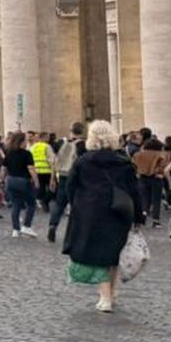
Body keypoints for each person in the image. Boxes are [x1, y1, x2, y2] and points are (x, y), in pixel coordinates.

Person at [60, 120, 145, 313]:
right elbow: (135, 190)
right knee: (112, 253)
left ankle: (105, 298)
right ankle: (111, 292)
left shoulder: (83, 161)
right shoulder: (124, 162)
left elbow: (70, 186)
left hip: (91, 212)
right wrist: (138, 216)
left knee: (99, 255)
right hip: (119, 211)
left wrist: (77, 204)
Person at [45, 121, 86, 245]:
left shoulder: (62, 143)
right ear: (82, 131)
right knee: (77, 205)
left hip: (62, 175)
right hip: (76, 177)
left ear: (71, 130)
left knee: (59, 203)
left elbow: (55, 162)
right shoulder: (83, 146)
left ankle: (53, 225)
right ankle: (77, 232)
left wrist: (52, 178)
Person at [2, 131, 38, 237]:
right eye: (25, 140)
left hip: (11, 180)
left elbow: (3, 168)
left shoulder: (9, 153)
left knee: (16, 205)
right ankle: (26, 226)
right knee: (31, 203)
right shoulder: (26, 154)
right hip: (23, 181)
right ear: (22, 142)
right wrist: (36, 181)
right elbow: (31, 168)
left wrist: (1, 180)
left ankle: (15, 230)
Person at [132, 138, 169, 228]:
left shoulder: (138, 154)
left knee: (144, 199)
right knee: (156, 200)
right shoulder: (161, 155)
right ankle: (156, 220)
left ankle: (143, 215)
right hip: (156, 178)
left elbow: (133, 165)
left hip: (142, 178)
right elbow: (162, 167)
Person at [29, 131, 55, 209]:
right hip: (47, 171)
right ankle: (45, 201)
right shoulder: (47, 146)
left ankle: (43, 202)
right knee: (53, 188)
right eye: (47, 137)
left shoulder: (32, 147)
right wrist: (53, 171)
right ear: (43, 137)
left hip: (37, 171)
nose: (48, 138)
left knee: (41, 188)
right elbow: (52, 160)